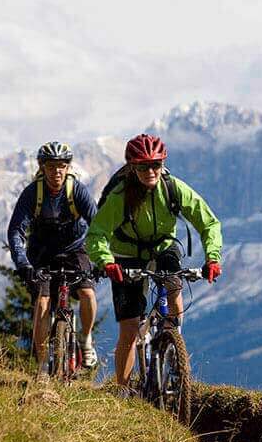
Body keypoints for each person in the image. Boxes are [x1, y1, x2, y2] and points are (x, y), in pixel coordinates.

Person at [86, 134, 222, 388]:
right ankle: (124, 391)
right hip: (125, 254)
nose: (150, 171)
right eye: (142, 166)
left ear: (162, 164)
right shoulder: (120, 195)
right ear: (131, 167)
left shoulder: (174, 188)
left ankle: (172, 340)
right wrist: (106, 262)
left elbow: (208, 223)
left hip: (163, 247)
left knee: (174, 284)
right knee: (128, 330)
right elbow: (96, 235)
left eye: (155, 165)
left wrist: (213, 257)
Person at [7, 141, 99, 378]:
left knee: (88, 293)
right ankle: (42, 366)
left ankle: (86, 341)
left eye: (61, 165)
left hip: (75, 250)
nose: (56, 171)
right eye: (51, 166)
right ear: (42, 167)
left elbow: (98, 226)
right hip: (42, 253)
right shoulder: (32, 193)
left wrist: (101, 260)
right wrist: (24, 265)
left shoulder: (76, 190)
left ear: (68, 167)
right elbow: (16, 231)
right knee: (43, 301)